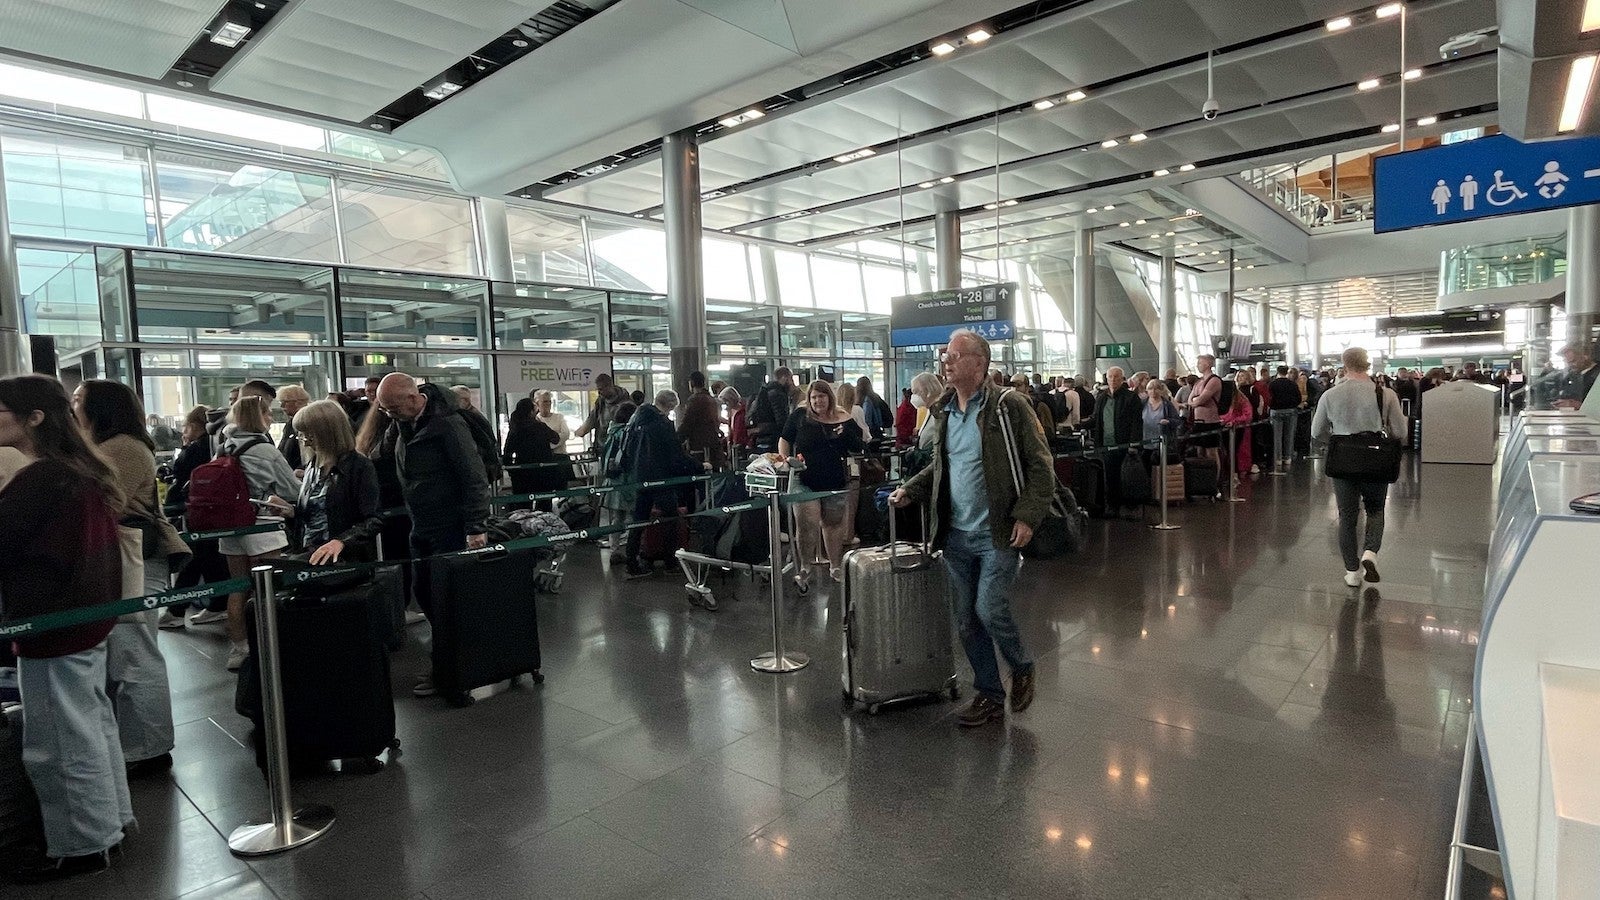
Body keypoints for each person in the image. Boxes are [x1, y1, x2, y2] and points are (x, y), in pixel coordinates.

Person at [0, 375, 130, 883]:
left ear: (33, 418)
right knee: (89, 725)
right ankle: (110, 825)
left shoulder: (42, 479)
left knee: (59, 739)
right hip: (82, 621)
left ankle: (83, 846)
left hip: (54, 625)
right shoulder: (77, 470)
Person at [889, 329, 1053, 727]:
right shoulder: (945, 411)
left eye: (955, 355)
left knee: (988, 608)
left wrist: (1027, 515)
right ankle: (990, 695)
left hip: (998, 531)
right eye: (945, 355)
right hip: (957, 534)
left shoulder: (1008, 407)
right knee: (966, 620)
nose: (946, 361)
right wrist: (911, 489)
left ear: (980, 363)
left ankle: (1022, 664)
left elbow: (1041, 465)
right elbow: (944, 465)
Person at [72, 380, 190, 778]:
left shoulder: (121, 447)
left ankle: (150, 747)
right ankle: (136, 743)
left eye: (78, 399)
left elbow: (106, 503)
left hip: (132, 557)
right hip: (121, 558)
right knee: (126, 652)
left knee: (134, 652)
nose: (72, 405)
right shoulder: (109, 446)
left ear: (101, 408)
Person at [374, 373, 491, 698]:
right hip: (422, 524)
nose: (389, 415)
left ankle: (450, 671)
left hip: (450, 527)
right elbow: (384, 456)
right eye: (385, 410)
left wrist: (476, 527)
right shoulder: (404, 423)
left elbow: (473, 476)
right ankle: (449, 663)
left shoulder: (449, 425)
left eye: (392, 409)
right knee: (423, 592)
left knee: (446, 600)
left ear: (413, 398)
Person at [216, 395, 300, 671]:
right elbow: (291, 490)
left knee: (237, 587)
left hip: (230, 525)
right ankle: (271, 643)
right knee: (268, 587)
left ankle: (239, 648)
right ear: (259, 416)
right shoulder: (265, 449)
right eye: (268, 414)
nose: (271, 418)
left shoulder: (224, 446)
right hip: (263, 523)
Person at [1311, 347, 1407, 588]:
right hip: (1375, 459)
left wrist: (1336, 441)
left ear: (1344, 365)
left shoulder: (1330, 395)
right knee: (1375, 509)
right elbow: (1400, 432)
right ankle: (1370, 552)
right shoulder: (1385, 394)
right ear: (1368, 364)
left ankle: (1352, 572)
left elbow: (1316, 431)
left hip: (1343, 461)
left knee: (1347, 515)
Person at [272, 400, 382, 566]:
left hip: (343, 559)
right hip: (311, 554)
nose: (305, 442)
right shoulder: (312, 466)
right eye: (302, 435)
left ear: (327, 433)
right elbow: (317, 514)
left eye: (309, 435)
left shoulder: (359, 466)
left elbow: (373, 520)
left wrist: (341, 542)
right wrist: (291, 512)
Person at [779, 380, 865, 584]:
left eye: (822, 396)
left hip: (835, 479)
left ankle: (835, 566)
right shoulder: (800, 416)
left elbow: (858, 446)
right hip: (803, 479)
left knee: (833, 524)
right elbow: (784, 438)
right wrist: (785, 459)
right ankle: (805, 567)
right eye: (814, 397)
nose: (818, 400)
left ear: (830, 397)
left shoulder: (845, 418)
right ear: (809, 399)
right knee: (807, 524)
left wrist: (846, 433)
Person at [619, 391, 698, 578]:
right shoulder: (663, 424)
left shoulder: (635, 420)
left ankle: (632, 562)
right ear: (670, 406)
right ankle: (671, 561)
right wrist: (698, 466)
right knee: (670, 519)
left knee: (638, 521)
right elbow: (675, 455)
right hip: (661, 479)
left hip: (640, 478)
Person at [164, 405, 230, 629]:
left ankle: (178, 608)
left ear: (194, 426)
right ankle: (214, 604)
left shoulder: (196, 449)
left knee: (198, 557)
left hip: (197, 511)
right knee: (204, 558)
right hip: (207, 510)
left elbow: (180, 471)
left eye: (186, 426)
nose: (183, 431)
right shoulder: (213, 445)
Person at [1092, 367, 1143, 517]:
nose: (1113, 380)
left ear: (1122, 379)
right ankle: (1112, 506)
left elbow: (1136, 423)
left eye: (1116, 377)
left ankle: (1129, 506)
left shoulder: (1131, 398)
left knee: (1127, 477)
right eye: (1110, 377)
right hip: (1106, 445)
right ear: (1106, 379)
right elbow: (1096, 418)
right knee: (1110, 477)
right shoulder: (1101, 397)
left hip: (1124, 445)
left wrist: (1134, 444)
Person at [502, 398, 562, 511]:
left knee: (523, 508)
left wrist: (513, 471)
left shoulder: (515, 429)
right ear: (531, 412)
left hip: (522, 474)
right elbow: (556, 439)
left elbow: (507, 453)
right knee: (544, 507)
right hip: (543, 472)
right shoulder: (540, 427)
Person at [677, 370, 725, 469]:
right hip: (714, 444)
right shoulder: (712, 400)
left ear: (691, 383)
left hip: (699, 446)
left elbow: (687, 422)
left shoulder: (695, 400)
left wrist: (677, 439)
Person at [747, 367, 795, 453]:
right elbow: (782, 420)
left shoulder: (765, 391)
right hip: (773, 439)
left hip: (762, 438)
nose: (792, 382)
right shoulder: (777, 393)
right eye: (791, 378)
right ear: (785, 377)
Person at [573, 373, 628, 444]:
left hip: (616, 444)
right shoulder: (601, 402)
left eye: (601, 389)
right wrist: (579, 432)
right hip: (604, 445)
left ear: (609, 386)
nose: (599, 392)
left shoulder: (626, 403)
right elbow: (591, 420)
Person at [1267, 365, 1303, 473]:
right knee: (1289, 435)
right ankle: (1288, 457)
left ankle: (1278, 458)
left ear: (1277, 372)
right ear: (1286, 372)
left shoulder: (1272, 384)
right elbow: (1298, 398)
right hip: (1290, 411)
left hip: (1276, 411)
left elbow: (1269, 398)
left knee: (1276, 436)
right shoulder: (1292, 384)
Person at [1222, 373, 1255, 477]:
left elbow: (1248, 415)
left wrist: (1233, 421)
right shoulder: (1234, 398)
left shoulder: (1241, 399)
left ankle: (1240, 470)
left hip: (1241, 429)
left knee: (1241, 451)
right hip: (1234, 427)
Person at [275, 384, 311, 475]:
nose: (282, 406)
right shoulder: (289, 424)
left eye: (285, 402)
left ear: (298, 402)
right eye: (280, 402)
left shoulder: (309, 422)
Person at [1554, 344, 1599, 409]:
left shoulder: (1597, 375)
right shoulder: (1570, 376)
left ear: (1586, 356)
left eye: (1573, 361)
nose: (1570, 365)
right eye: (1568, 362)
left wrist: (1580, 405)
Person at [856, 376, 893, 441]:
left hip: (870, 434)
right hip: (878, 432)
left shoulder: (866, 400)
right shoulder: (875, 397)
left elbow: (867, 420)